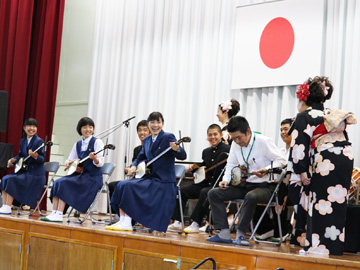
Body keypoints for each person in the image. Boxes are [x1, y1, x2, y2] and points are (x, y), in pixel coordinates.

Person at [288, 76, 356, 255]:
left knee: (319, 203)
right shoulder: (331, 114)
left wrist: (301, 171)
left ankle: (317, 247)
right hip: (345, 157)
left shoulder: (304, 116)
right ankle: (333, 247)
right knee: (336, 202)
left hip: (326, 160)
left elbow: (299, 145)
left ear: (303, 99)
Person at [206, 116, 286, 245]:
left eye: (239, 137)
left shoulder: (263, 141)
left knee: (251, 196)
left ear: (248, 132)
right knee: (213, 193)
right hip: (244, 185)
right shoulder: (235, 145)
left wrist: (265, 170)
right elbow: (231, 164)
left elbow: (282, 161)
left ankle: (241, 234)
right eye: (234, 138)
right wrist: (225, 180)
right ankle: (224, 233)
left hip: (265, 187)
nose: (237, 141)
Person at [106, 112, 187, 232]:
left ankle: (127, 221)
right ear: (149, 124)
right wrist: (133, 166)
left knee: (129, 186)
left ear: (162, 123)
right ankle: (123, 220)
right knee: (122, 185)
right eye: (152, 122)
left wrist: (177, 149)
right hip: (151, 178)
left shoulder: (168, 137)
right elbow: (140, 157)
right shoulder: (148, 139)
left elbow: (183, 156)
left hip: (163, 182)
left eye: (158, 122)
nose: (155, 125)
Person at [168, 124, 230, 232]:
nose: (213, 137)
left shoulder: (228, 149)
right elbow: (205, 165)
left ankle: (196, 223)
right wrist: (194, 167)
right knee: (181, 191)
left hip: (219, 184)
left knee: (205, 192)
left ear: (220, 135)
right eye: (210, 135)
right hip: (205, 182)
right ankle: (178, 221)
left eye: (215, 134)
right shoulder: (206, 151)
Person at [40, 117, 104, 222]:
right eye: (85, 127)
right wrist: (68, 162)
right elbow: (70, 159)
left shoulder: (97, 142)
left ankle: (60, 213)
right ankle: (55, 212)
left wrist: (95, 158)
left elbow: (100, 163)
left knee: (64, 183)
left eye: (90, 127)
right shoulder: (77, 144)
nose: (88, 130)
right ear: (80, 129)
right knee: (57, 182)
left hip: (92, 178)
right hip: (80, 175)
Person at [253, 118, 293, 242]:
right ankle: (266, 228)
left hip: (290, 186)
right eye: (281, 130)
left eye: (286, 129)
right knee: (255, 193)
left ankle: (282, 231)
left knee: (280, 191)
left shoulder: (298, 150)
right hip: (274, 184)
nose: (282, 132)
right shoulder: (278, 151)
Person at [0, 118, 46, 215]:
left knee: (11, 180)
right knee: (5, 178)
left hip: (35, 175)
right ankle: (4, 205)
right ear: (24, 128)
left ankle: (8, 206)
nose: (32, 128)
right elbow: (21, 156)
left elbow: (42, 159)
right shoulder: (23, 141)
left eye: (34, 126)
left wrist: (35, 156)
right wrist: (12, 160)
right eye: (29, 126)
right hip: (26, 172)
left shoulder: (39, 141)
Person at [108, 120, 150, 198]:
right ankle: (114, 210)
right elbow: (133, 165)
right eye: (139, 130)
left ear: (150, 133)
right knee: (112, 185)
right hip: (135, 179)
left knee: (128, 186)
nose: (142, 132)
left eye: (145, 130)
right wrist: (128, 169)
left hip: (146, 180)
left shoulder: (151, 149)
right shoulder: (137, 149)